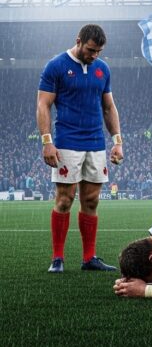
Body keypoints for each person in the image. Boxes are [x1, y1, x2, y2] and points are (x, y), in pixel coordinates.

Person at [37, 24, 124, 273]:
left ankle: (89, 259)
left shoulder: (102, 69)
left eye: (98, 51)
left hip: (95, 142)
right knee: (64, 200)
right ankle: (57, 259)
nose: (94, 55)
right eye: (90, 49)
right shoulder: (56, 66)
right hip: (67, 142)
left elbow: (109, 107)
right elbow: (43, 105)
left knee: (91, 199)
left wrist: (117, 141)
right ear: (78, 41)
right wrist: (47, 141)